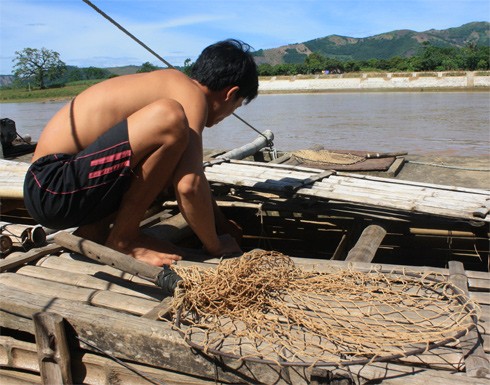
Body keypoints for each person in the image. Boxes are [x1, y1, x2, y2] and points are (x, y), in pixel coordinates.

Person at [24, 39, 259, 266]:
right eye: (235, 107)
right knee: (170, 118)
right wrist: (215, 245)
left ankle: (95, 230)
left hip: (57, 190)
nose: (227, 115)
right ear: (231, 94)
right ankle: (124, 239)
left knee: (171, 160)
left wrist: (221, 226)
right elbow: (189, 186)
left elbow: (188, 177)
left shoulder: (175, 87)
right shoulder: (190, 94)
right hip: (52, 185)